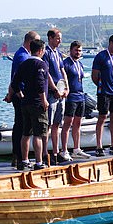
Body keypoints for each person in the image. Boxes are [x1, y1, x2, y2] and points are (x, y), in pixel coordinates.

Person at [3, 31, 40, 170]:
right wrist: (16, 92)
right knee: (21, 126)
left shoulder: (22, 54)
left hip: (19, 93)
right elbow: (17, 78)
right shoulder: (23, 57)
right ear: (30, 42)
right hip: (21, 96)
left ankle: (18, 156)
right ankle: (19, 157)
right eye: (36, 42)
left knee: (20, 125)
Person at [12, 39, 50, 170]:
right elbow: (40, 84)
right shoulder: (41, 65)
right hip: (37, 103)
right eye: (43, 50)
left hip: (25, 102)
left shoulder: (24, 64)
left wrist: (20, 94)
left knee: (26, 133)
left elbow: (14, 82)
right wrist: (44, 99)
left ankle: (24, 160)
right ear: (40, 51)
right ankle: (39, 162)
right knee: (38, 134)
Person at [92, 34, 113, 156]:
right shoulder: (101, 56)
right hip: (104, 92)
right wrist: (101, 86)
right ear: (110, 43)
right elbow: (94, 76)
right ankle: (99, 146)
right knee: (102, 117)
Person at [60, 41, 91, 159]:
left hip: (80, 97)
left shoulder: (80, 64)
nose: (78, 52)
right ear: (71, 50)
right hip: (70, 98)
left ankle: (76, 149)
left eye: (80, 50)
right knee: (67, 124)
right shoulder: (66, 64)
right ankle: (64, 150)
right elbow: (61, 81)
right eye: (76, 50)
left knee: (78, 124)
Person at [43, 28, 69, 164]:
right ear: (50, 38)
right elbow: (47, 74)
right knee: (48, 124)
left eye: (60, 38)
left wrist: (66, 87)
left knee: (57, 124)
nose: (60, 41)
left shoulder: (58, 53)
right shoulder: (46, 53)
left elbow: (62, 70)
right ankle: (44, 152)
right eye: (58, 38)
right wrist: (54, 89)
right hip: (51, 94)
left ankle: (55, 151)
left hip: (61, 92)